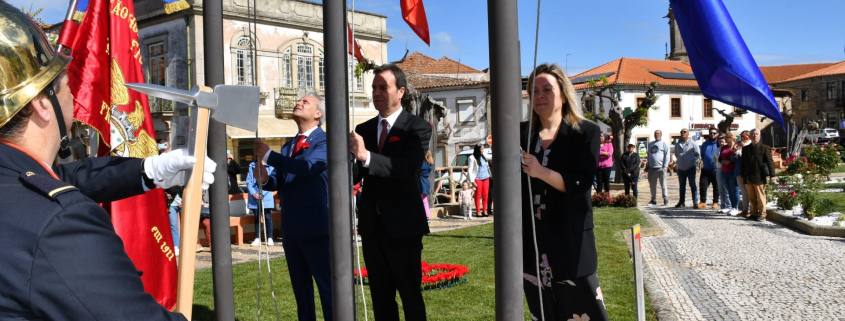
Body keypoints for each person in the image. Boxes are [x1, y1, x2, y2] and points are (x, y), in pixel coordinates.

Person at [0, 4, 215, 319]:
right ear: (42, 105)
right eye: (65, 82)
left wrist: (149, 170)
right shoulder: (61, 226)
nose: (73, 92)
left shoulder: (15, 180)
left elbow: (63, 176)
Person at [521, 63, 608, 321]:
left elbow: (581, 184)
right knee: (543, 314)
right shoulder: (521, 133)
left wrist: (541, 172)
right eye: (534, 91)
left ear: (563, 93)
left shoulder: (585, 132)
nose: (540, 96)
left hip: (571, 244)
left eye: (547, 89)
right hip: (533, 244)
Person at [349, 64, 432, 321]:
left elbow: (406, 169)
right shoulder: (362, 130)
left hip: (404, 228)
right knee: (381, 300)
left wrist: (365, 156)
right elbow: (355, 175)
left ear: (401, 92)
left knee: (410, 298)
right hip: (373, 228)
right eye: (373, 87)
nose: (376, 92)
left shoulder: (417, 127)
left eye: (383, 87)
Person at [255, 93, 332, 321]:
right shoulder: (289, 145)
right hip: (292, 230)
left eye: (305, 102)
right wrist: (266, 180)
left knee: (328, 292)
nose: (298, 103)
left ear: (318, 114)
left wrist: (269, 155)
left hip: (318, 229)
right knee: (301, 294)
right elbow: (281, 180)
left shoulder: (325, 142)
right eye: (299, 100)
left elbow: (307, 167)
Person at [741, 129, 774, 221]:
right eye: (753, 134)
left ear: (759, 135)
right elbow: (743, 163)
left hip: (760, 176)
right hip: (748, 176)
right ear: (750, 136)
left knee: (760, 196)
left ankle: (762, 214)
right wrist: (743, 175)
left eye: (757, 134)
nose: (755, 135)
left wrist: (772, 175)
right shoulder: (746, 149)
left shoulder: (765, 148)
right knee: (751, 197)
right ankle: (754, 213)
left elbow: (770, 162)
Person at [247, 161, 276, 246]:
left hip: (266, 196)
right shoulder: (252, 166)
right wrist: (254, 193)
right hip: (255, 196)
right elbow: (249, 182)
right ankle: (257, 238)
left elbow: (272, 182)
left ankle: (270, 237)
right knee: (256, 217)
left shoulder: (270, 166)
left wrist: (263, 194)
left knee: (267, 216)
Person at [673, 128, 700, 208]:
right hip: (681, 168)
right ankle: (681, 202)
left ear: (688, 134)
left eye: (684, 132)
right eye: (681, 132)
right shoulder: (677, 144)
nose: (683, 133)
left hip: (691, 167)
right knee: (682, 186)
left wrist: (693, 161)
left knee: (692, 185)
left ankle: (695, 202)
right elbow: (677, 154)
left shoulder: (693, 143)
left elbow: (698, 154)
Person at [718, 133, 740, 215]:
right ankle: (731, 207)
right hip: (724, 170)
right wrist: (722, 161)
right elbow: (720, 158)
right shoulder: (724, 147)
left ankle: (736, 207)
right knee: (728, 190)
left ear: (733, 138)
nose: (726, 139)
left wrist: (729, 161)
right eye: (726, 137)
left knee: (734, 189)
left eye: (728, 137)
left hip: (733, 170)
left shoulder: (736, 147)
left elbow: (737, 158)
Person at [647, 130, 670, 206]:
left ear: (661, 134)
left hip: (661, 168)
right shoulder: (650, 144)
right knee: (652, 186)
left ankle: (665, 198)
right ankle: (653, 199)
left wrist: (665, 166)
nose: (656, 135)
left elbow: (667, 156)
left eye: (658, 133)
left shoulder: (664, 144)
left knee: (663, 184)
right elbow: (649, 155)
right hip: (652, 168)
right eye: (655, 134)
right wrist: (648, 165)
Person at [699, 127, 720, 209]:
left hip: (716, 169)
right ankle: (703, 202)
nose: (712, 134)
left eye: (714, 133)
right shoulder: (704, 144)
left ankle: (715, 202)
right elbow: (702, 155)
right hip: (706, 169)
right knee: (703, 186)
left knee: (716, 187)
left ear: (717, 134)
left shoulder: (719, 143)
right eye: (711, 133)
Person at [468, 144, 492, 217]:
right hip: (477, 179)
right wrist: (472, 181)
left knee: (485, 195)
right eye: (481, 149)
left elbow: (491, 157)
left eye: (483, 149)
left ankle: (485, 211)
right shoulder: (471, 158)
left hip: (486, 178)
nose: (482, 150)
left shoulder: (483, 155)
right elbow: (470, 170)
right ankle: (478, 212)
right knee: (478, 196)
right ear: (477, 149)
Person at [735, 130, 752, 216]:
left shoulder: (750, 145)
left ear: (748, 136)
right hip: (739, 171)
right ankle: (745, 210)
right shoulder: (739, 145)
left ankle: (752, 210)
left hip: (747, 172)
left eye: (744, 136)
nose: (742, 138)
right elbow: (735, 157)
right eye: (741, 136)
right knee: (743, 192)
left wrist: (742, 146)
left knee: (750, 191)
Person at [420, 151, 434, 219]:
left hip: (421, 182)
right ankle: (427, 215)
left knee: (423, 200)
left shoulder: (423, 164)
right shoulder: (429, 164)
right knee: (425, 200)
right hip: (426, 182)